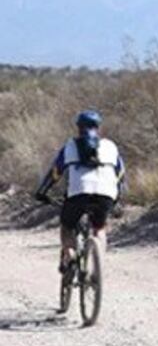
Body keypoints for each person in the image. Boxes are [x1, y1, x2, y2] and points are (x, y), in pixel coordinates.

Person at [34, 110, 125, 273]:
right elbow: (121, 174)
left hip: (78, 193)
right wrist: (118, 198)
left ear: (78, 128)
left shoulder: (70, 146)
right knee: (100, 228)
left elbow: (55, 173)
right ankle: (98, 265)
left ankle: (69, 253)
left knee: (67, 226)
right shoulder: (110, 146)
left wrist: (42, 192)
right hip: (106, 193)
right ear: (98, 127)